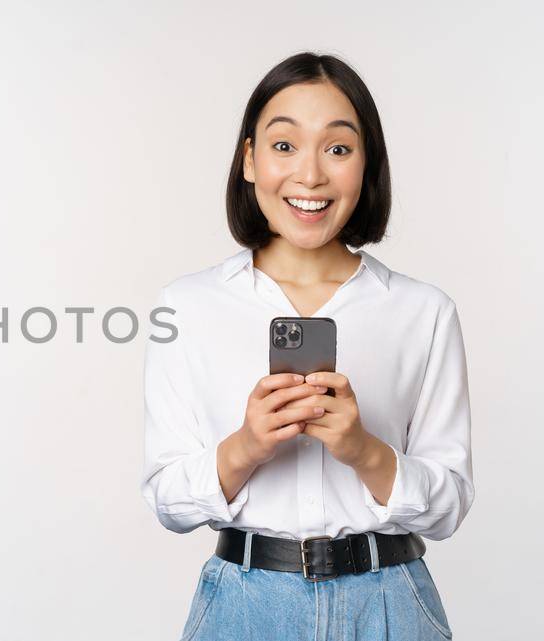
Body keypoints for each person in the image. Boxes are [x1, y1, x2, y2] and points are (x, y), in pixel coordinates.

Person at [139, 52, 475, 641]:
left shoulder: (423, 312)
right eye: (285, 145)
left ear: (366, 166)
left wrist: (362, 449)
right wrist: (246, 446)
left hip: (390, 603)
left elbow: (448, 508)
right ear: (249, 160)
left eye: (339, 148)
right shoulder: (186, 307)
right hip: (244, 605)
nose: (311, 176)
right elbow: (168, 500)